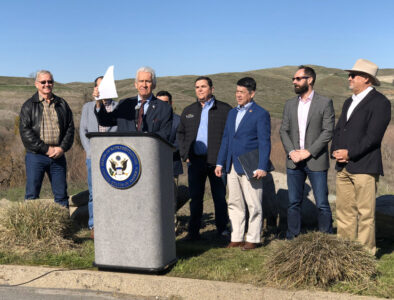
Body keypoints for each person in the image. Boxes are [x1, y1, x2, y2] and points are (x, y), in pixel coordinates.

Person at [331, 59, 391, 255]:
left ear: (366, 79)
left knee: (366, 214)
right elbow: (339, 129)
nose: (349, 78)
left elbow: (373, 137)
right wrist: (336, 150)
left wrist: (350, 153)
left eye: (353, 75)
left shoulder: (380, 102)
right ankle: (345, 254)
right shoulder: (349, 101)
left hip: (365, 166)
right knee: (344, 212)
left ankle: (365, 256)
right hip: (343, 167)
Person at [215, 77, 271, 250]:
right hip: (231, 164)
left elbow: (264, 142)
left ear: (252, 93)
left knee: (254, 204)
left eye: (242, 92)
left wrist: (262, 166)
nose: (238, 95)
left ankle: (253, 238)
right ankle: (237, 237)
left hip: (251, 166)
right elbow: (226, 139)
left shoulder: (261, 113)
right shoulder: (232, 113)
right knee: (234, 202)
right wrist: (220, 163)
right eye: (237, 91)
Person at [279, 66, 334, 239]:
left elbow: (328, 132)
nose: (294, 82)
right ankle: (292, 238)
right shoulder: (289, 104)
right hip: (294, 161)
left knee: (322, 203)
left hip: (316, 160)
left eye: (298, 79)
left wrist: (308, 152)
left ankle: (326, 239)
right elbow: (283, 130)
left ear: (309, 80)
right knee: (293, 203)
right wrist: (291, 152)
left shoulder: (324, 103)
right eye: (293, 79)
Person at [177, 76, 231, 240]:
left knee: (219, 197)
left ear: (212, 89)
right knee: (196, 198)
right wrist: (185, 154)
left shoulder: (224, 109)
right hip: (195, 161)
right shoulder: (189, 111)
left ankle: (222, 229)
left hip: (217, 162)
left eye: (203, 86)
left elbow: (230, 136)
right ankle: (193, 232)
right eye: (197, 87)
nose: (199, 89)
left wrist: (224, 158)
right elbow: (180, 134)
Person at [19, 70, 74, 207]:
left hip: (58, 156)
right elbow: (26, 133)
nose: (46, 84)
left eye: (49, 81)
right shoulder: (28, 106)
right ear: (36, 84)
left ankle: (63, 227)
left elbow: (70, 128)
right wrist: (46, 149)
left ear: (53, 83)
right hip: (36, 156)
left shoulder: (62, 104)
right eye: (43, 82)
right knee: (32, 195)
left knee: (61, 195)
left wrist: (62, 148)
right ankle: (31, 228)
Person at [80, 76, 118, 234]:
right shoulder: (88, 107)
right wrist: (89, 151)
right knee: (93, 192)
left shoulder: (119, 107)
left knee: (114, 191)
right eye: (100, 86)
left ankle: (114, 222)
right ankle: (94, 225)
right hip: (93, 157)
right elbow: (83, 131)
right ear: (95, 89)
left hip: (113, 158)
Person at [95, 66, 172, 141]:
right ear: (136, 84)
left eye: (148, 81)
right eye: (141, 81)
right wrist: (99, 101)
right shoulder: (125, 104)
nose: (144, 85)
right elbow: (104, 121)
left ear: (154, 85)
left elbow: (165, 135)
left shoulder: (164, 108)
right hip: (126, 151)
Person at [156, 91, 183, 180]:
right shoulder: (149, 119)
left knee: (172, 193)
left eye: (165, 103)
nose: (162, 105)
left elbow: (179, 143)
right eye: (159, 102)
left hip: (172, 166)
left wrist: (160, 151)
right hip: (153, 166)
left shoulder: (178, 121)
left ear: (171, 103)